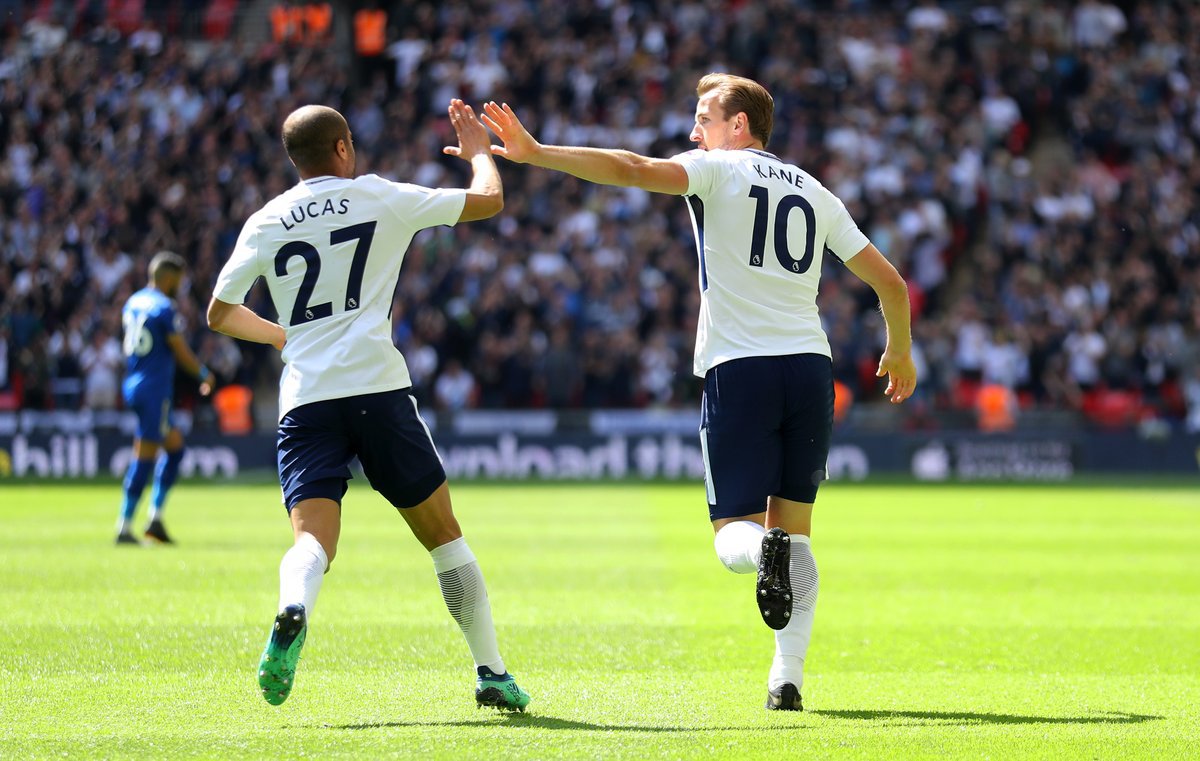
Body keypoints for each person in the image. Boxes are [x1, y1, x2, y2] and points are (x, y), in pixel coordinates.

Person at [482, 74, 917, 711]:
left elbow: (631, 167)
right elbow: (892, 284)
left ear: (738, 126)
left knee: (733, 536)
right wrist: (899, 349)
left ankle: (763, 550)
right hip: (809, 370)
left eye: (704, 118)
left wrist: (539, 152)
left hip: (741, 368)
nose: (693, 133)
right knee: (797, 535)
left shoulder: (717, 171)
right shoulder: (815, 190)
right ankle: (787, 680)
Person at [206, 101, 531, 712]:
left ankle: (294, 606)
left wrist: (282, 337)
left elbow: (219, 314)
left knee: (313, 542)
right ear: (342, 148)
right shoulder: (380, 196)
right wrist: (480, 155)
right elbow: (488, 201)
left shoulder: (266, 220)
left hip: (307, 398)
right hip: (377, 390)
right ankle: (491, 672)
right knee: (444, 538)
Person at [117, 251, 214, 545]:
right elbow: (180, 350)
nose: (180, 288)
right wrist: (203, 374)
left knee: (175, 449)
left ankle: (155, 519)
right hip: (154, 389)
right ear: (169, 278)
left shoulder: (133, 302)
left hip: (134, 382)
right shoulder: (163, 307)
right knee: (144, 455)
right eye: (179, 281)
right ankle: (124, 527)